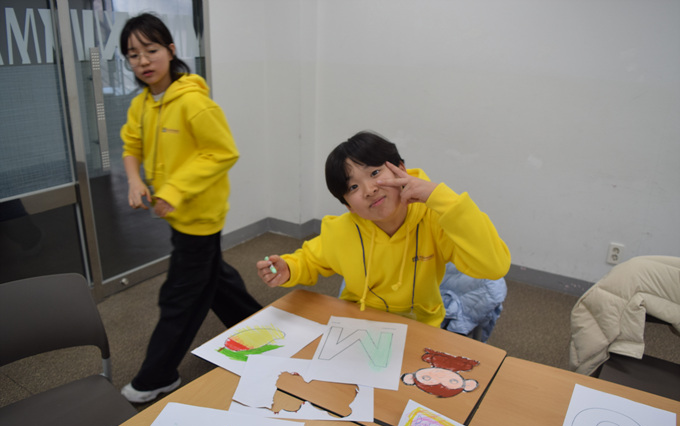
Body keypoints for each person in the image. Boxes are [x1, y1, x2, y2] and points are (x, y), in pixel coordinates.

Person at [119, 13, 261, 403]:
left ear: (170, 50)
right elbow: (131, 146)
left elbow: (222, 152)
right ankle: (259, 333)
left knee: (180, 296)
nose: (143, 61)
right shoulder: (142, 105)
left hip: (200, 216)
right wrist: (134, 180)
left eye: (151, 50)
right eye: (133, 55)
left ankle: (157, 376)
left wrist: (175, 189)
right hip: (177, 214)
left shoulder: (194, 103)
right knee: (216, 281)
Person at [257, 131, 510, 327]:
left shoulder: (434, 219)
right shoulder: (341, 230)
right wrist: (288, 268)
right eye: (353, 187)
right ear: (348, 205)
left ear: (401, 169)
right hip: (357, 324)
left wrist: (442, 198)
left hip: (420, 327)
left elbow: (494, 266)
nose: (369, 190)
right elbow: (310, 259)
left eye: (375, 172)